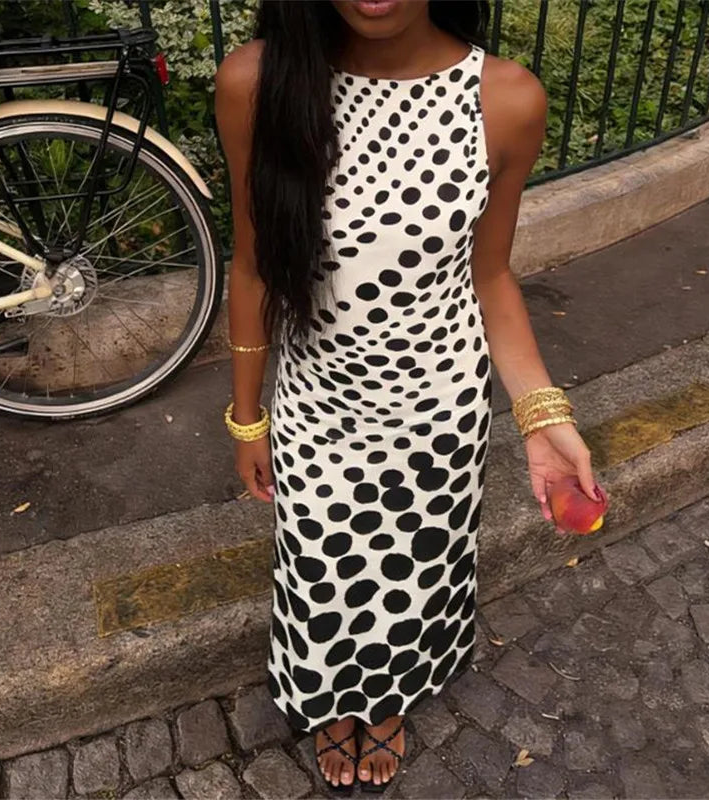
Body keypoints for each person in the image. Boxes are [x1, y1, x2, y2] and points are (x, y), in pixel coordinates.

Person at [214, 0, 600, 792]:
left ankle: (387, 701)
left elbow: (489, 277)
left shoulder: (506, 98)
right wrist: (247, 414)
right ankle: (333, 700)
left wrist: (542, 414)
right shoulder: (259, 81)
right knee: (318, 567)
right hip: (317, 404)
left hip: (439, 411)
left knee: (420, 574)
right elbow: (251, 265)